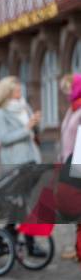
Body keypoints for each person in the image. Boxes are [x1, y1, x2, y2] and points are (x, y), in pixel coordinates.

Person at [0, 76, 45, 257]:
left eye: (20, 90)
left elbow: (33, 133)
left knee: (27, 203)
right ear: (6, 92)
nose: (20, 93)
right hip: (15, 164)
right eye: (16, 90)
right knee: (20, 204)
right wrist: (27, 127)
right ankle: (24, 242)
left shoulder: (25, 107)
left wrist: (35, 124)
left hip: (32, 161)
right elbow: (4, 138)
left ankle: (10, 237)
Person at [58, 73, 81, 262]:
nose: (66, 93)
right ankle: (77, 246)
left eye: (68, 89)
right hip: (68, 162)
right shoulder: (72, 109)